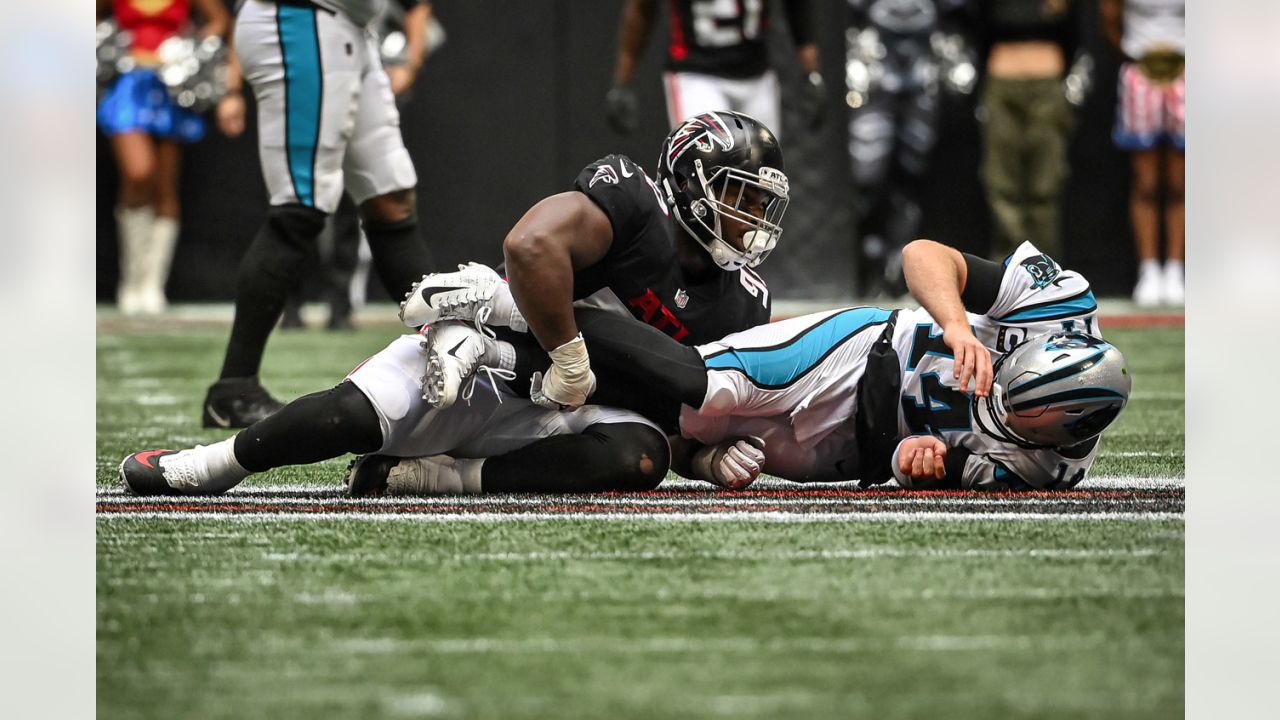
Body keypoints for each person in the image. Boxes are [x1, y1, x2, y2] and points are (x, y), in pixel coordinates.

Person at [117, 110, 791, 496]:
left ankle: (439, 478)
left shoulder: (743, 303)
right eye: (743, 198)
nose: (753, 220)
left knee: (638, 458)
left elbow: (673, 414)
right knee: (346, 415)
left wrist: (695, 456)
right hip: (481, 366)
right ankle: (216, 464)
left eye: (763, 206)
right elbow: (529, 247)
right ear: (690, 182)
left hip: (569, 407)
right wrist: (567, 355)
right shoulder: (632, 205)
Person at [371, 239, 1130, 493]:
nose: (992, 400)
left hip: (853, 450)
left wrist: (918, 459)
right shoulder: (1055, 301)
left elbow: (912, 464)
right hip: (857, 353)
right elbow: (922, 256)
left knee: (663, 439)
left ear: (1060, 435)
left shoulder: (1042, 470)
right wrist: (960, 325)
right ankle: (504, 308)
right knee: (688, 387)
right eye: (1002, 381)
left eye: (1016, 414)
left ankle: (451, 470)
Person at [202, 0, 437, 430]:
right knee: (301, 204)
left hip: (350, 27)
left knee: (391, 197)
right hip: (303, 16)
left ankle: (451, 357)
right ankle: (233, 388)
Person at [280, 0, 438, 331]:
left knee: (360, 201)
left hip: (360, 74)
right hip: (309, 74)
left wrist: (410, 62)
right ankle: (290, 302)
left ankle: (341, 302)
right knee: (298, 197)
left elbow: (417, 7)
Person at [97, 0, 244, 315]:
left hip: (171, 87)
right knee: (138, 174)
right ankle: (131, 278)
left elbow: (220, 21)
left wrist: (188, 50)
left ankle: (151, 284)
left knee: (165, 189)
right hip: (129, 85)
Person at [844, 0, 976, 297]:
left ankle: (899, 263)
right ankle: (870, 259)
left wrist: (955, 54)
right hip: (876, 78)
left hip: (921, 78)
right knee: (868, 178)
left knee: (912, 176)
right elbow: (851, 17)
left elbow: (957, 19)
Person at [975, 0, 1093, 262]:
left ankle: (1044, 270)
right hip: (1002, 84)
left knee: (1046, 180)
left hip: (1047, 87)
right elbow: (978, 27)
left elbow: (1075, 35)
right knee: (1001, 181)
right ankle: (1006, 270)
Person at [605, 0, 825, 136]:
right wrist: (623, 81)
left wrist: (811, 73)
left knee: (763, 178)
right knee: (705, 169)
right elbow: (642, 9)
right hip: (697, 75)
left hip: (757, 75)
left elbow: (797, 5)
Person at [1100, 0, 1184, 307]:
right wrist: (1131, 54)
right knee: (1146, 181)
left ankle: (1175, 269)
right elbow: (1110, 15)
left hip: (1186, 68)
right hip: (1142, 69)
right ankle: (1148, 269)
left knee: (1180, 182)